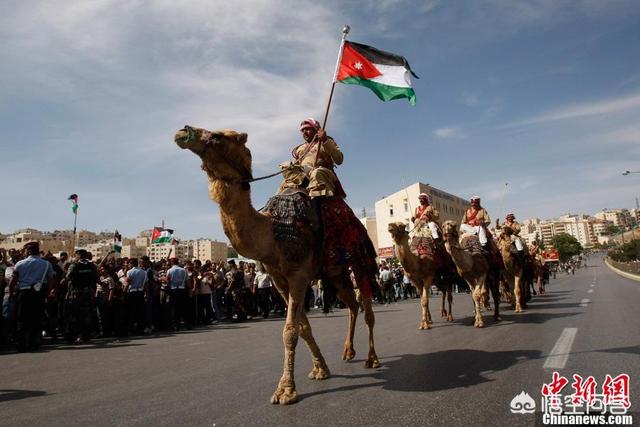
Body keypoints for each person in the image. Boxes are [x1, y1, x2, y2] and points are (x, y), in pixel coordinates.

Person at [9, 241, 55, 351]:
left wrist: (11, 292)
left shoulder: (20, 263)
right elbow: (50, 280)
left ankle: (21, 343)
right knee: (37, 318)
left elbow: (13, 280)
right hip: (39, 294)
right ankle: (34, 342)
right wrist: (48, 293)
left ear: (28, 251)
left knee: (22, 319)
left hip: (24, 294)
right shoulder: (46, 264)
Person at [63, 249, 98, 342]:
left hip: (76, 293)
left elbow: (68, 277)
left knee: (74, 315)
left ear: (78, 255)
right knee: (86, 315)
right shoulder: (91, 265)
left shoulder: (74, 265)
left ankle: (74, 335)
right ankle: (85, 335)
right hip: (88, 292)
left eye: (76, 255)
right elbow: (95, 278)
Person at [124, 258, 147, 335]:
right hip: (140, 292)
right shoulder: (143, 272)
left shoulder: (129, 272)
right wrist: (146, 293)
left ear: (131, 264)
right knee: (140, 312)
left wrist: (124, 293)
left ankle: (131, 329)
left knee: (132, 312)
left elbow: (127, 283)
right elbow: (146, 284)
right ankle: (141, 329)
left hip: (132, 293)